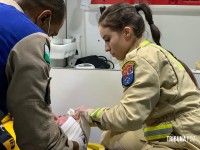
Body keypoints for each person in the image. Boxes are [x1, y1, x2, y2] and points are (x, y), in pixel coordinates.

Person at [74, 2, 200, 150]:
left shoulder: (140, 59)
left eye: (108, 39)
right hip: (184, 129)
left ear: (127, 33)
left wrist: (89, 114)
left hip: (184, 138)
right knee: (109, 136)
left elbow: (129, 116)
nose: (106, 48)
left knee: (112, 139)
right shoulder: (149, 50)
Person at [0, 0, 85, 149]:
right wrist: (77, 145)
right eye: (51, 34)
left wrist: (36, 111)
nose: (48, 38)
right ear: (44, 18)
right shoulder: (28, 36)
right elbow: (38, 141)